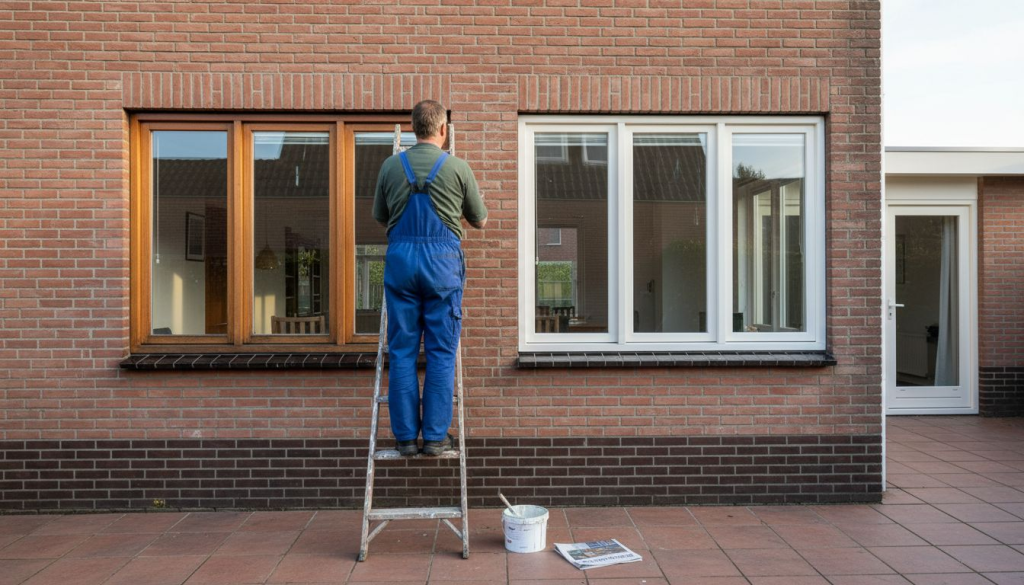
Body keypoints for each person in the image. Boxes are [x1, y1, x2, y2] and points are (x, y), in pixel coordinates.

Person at [373, 100, 487, 456]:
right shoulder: (458, 167)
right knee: (441, 351)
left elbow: (380, 217)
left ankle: (406, 438)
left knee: (403, 351)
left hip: (401, 262)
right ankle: (435, 437)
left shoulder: (391, 166)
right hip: (441, 265)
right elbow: (480, 220)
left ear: (412, 129)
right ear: (443, 130)